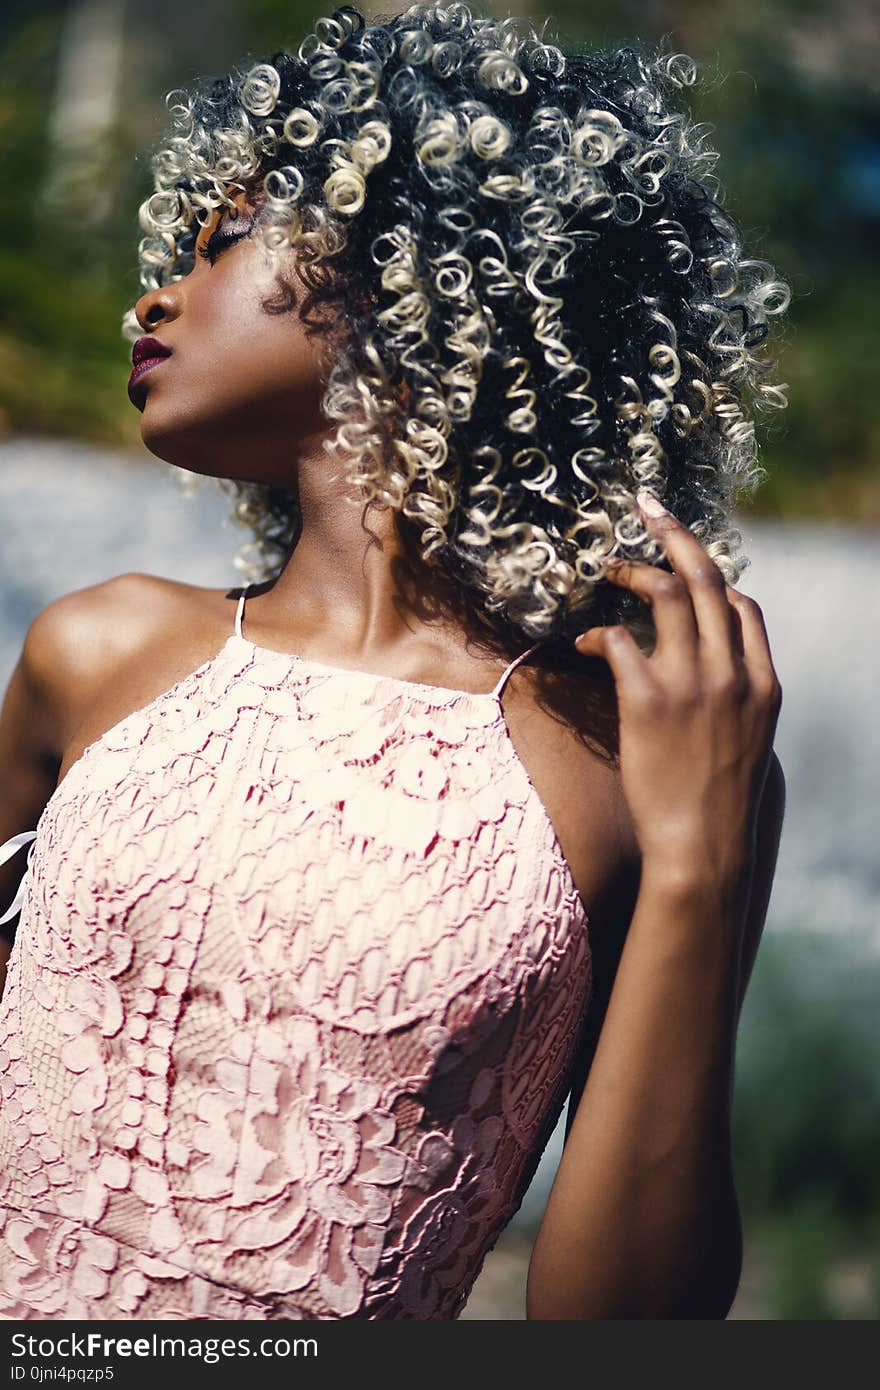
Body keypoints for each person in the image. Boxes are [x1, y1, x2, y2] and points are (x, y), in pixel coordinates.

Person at [0, 3, 787, 1319]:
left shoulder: (631, 755)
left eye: (227, 239)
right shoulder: (102, 649)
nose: (157, 291)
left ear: (422, 278)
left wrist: (701, 862)